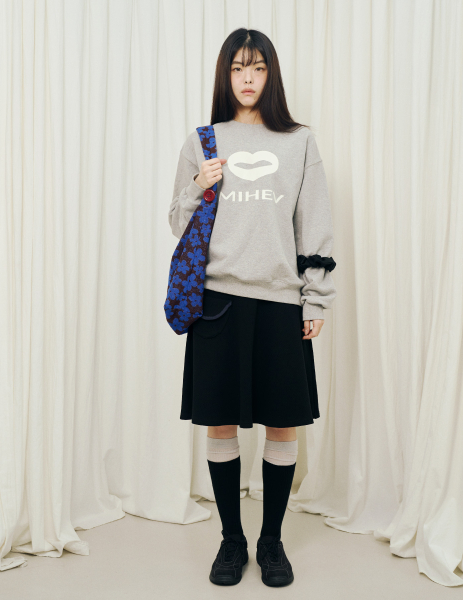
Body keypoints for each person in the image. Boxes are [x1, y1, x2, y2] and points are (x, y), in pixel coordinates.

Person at [168, 27, 336, 587]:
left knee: (282, 426)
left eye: (257, 67)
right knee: (219, 423)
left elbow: (314, 223)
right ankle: (231, 539)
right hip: (217, 301)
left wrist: (314, 298)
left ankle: (271, 541)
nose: (247, 78)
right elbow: (177, 223)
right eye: (238, 67)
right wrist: (198, 183)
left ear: (271, 75)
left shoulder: (299, 141)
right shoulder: (204, 140)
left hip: (280, 301)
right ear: (225, 74)